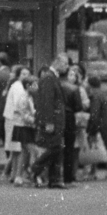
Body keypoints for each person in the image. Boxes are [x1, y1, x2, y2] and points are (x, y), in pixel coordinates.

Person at [31, 55, 68, 188]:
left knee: (56, 147)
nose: (66, 67)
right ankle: (35, 168)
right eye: (65, 64)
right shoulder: (48, 77)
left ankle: (54, 179)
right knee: (55, 147)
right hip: (53, 120)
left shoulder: (53, 77)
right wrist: (49, 121)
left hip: (57, 119)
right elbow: (47, 101)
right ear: (57, 62)